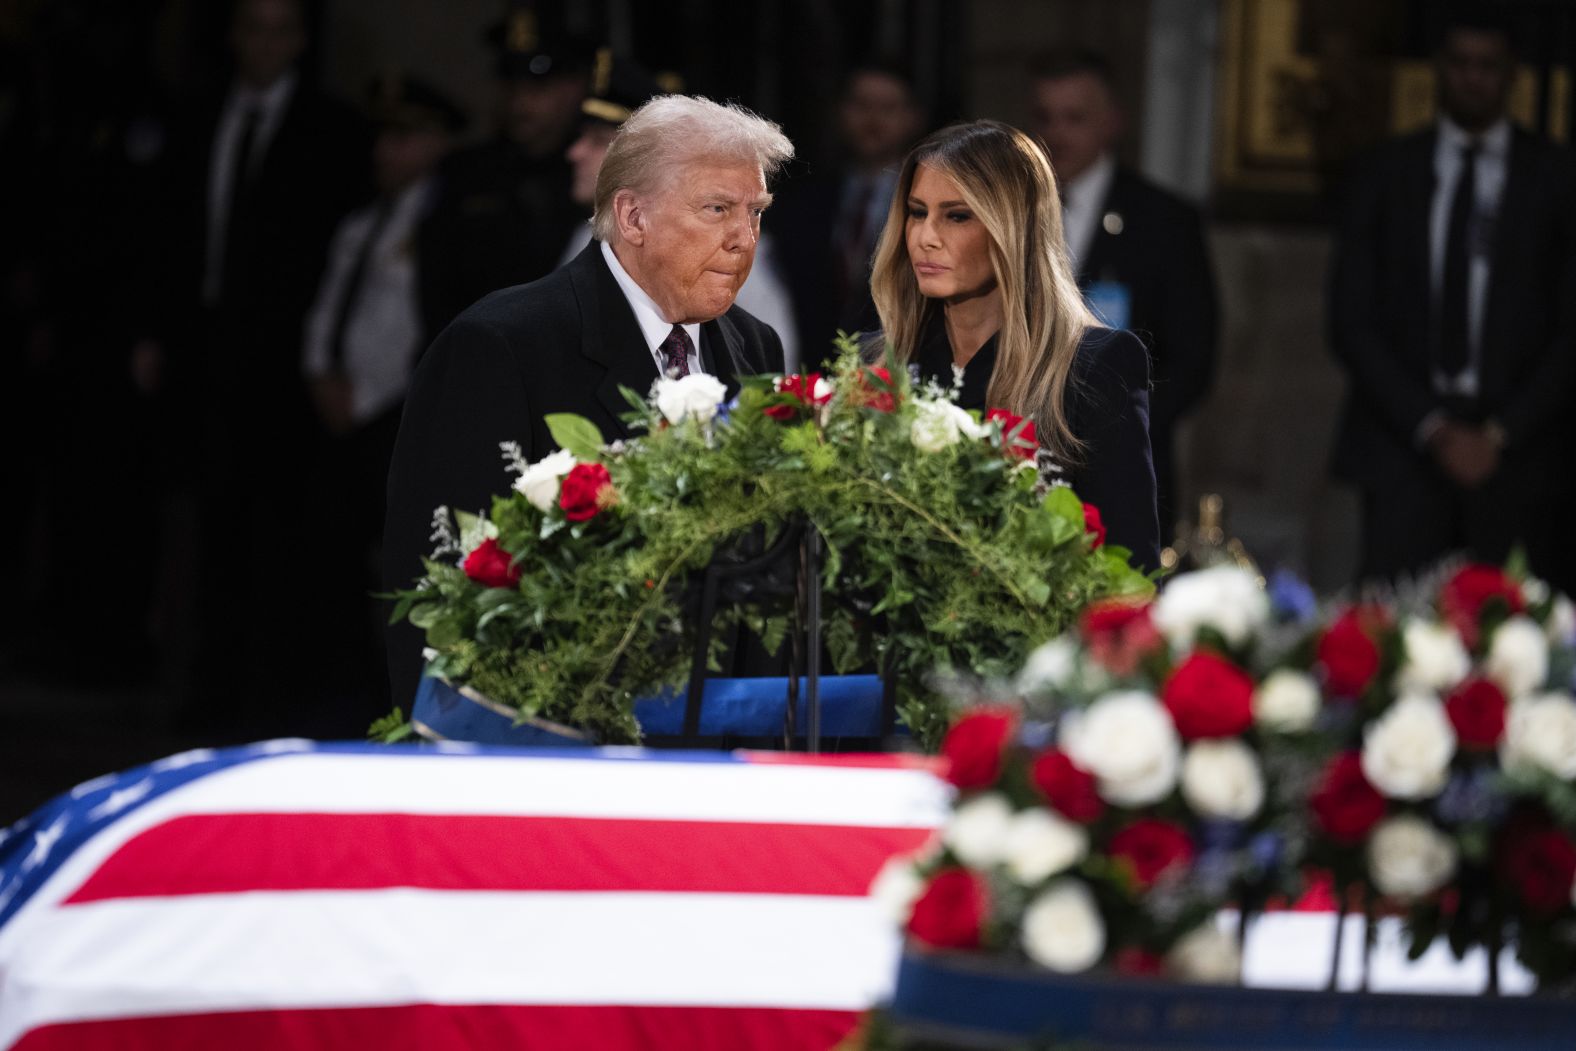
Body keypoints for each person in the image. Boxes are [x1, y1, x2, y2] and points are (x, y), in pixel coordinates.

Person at [384, 95, 793, 706]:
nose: (743, 239)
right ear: (632, 218)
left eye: (754, 211)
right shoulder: (500, 345)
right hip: (556, 746)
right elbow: (437, 583)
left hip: (719, 747)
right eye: (717, 209)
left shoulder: (754, 346)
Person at [1329, 10, 1576, 588]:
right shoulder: (1384, 172)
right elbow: (1351, 319)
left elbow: (1569, 329)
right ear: (1440, 68)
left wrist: (1498, 434)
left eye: (1487, 67)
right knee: (1391, 635)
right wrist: (1434, 427)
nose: (1473, 79)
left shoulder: (1557, 179)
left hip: (1520, 452)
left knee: (1514, 633)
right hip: (1403, 445)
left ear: (1510, 73)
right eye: (1461, 64)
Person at [868, 120, 1159, 568]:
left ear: (1014, 228)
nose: (926, 236)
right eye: (917, 211)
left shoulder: (1092, 367)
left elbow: (1129, 573)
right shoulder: (877, 363)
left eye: (957, 215)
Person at [296, 72, 465, 733]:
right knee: (331, 560)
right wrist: (320, 374)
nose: (386, 153)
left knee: (393, 565)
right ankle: (335, 695)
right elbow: (329, 312)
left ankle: (386, 704)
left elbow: (421, 327)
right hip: (339, 411)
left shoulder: (441, 226)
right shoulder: (363, 222)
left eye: (405, 138)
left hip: (393, 412)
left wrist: (371, 398)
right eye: (383, 137)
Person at [1027, 48, 1217, 538]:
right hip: (1018, 453)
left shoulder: (1163, 221)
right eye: (1045, 117)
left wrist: (1115, 427)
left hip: (1121, 465)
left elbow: (1192, 358)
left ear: (1111, 123)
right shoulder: (1013, 212)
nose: (1056, 133)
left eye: (1075, 118)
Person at [560, 50, 801, 366]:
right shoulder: (528, 326)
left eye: (598, 140)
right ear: (631, 216)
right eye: (716, 209)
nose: (574, 153)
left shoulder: (756, 339)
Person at [415, 7, 591, 343]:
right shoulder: (465, 172)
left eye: (540, 87)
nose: (521, 102)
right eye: (512, 84)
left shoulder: (591, 170)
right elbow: (435, 285)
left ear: (575, 87)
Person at [773, 61, 925, 366]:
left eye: (888, 107)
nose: (873, 119)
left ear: (912, 117)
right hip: (811, 370)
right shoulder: (803, 202)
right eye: (862, 105)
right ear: (840, 112)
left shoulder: (924, 203)